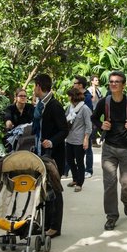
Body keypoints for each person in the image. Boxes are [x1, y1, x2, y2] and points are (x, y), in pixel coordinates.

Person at [91, 70, 127, 230]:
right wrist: (101, 125)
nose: (113, 84)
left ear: (123, 85)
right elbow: (94, 117)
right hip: (109, 148)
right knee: (109, 184)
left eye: (117, 81)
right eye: (111, 81)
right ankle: (111, 216)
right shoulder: (104, 102)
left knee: (126, 184)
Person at [33, 74, 69, 238]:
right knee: (44, 191)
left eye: (34, 86)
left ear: (39, 86)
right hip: (41, 154)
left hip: (54, 155)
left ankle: (55, 227)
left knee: (55, 190)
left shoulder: (54, 105)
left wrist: (51, 142)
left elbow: (64, 130)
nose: (33, 90)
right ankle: (46, 224)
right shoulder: (40, 105)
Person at [64, 87, 92, 192]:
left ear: (73, 97)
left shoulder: (84, 109)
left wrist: (86, 139)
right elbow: (65, 118)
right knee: (70, 160)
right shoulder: (70, 108)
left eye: (69, 96)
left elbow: (89, 125)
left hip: (79, 140)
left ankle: (80, 183)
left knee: (80, 162)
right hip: (69, 139)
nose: (68, 98)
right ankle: (75, 179)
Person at [73, 75, 95, 177]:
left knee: (87, 148)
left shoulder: (87, 97)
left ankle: (89, 170)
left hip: (85, 126)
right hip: (75, 127)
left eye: (75, 83)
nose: (73, 85)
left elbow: (89, 114)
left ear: (80, 85)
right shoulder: (75, 95)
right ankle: (67, 169)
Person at [88, 75, 104, 148]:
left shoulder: (98, 90)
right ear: (92, 81)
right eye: (96, 80)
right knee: (94, 126)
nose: (97, 81)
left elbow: (101, 98)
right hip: (92, 109)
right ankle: (93, 141)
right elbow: (93, 99)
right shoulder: (90, 90)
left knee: (96, 126)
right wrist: (93, 88)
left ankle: (93, 140)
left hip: (97, 109)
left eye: (97, 80)